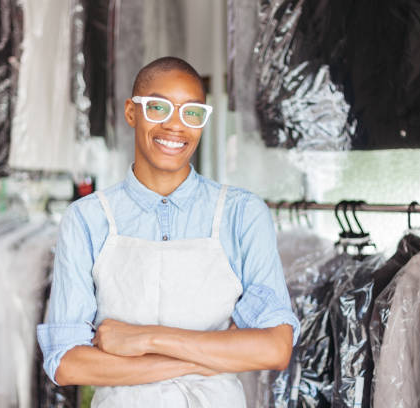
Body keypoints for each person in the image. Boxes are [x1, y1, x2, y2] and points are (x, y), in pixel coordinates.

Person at [37, 56, 300, 407]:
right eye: (159, 108)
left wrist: (146, 339)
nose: (175, 126)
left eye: (192, 113)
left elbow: (275, 348)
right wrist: (209, 357)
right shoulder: (86, 219)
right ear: (132, 112)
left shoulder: (243, 214)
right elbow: (67, 363)